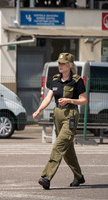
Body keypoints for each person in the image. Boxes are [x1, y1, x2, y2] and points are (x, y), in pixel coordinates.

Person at [33, 52, 87, 189]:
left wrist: (69, 100)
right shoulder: (55, 79)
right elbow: (48, 97)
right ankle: (79, 176)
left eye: (63, 63)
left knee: (58, 145)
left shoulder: (77, 80)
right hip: (57, 114)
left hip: (71, 115)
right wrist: (39, 110)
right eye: (59, 63)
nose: (60, 66)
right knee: (67, 149)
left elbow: (84, 100)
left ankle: (46, 177)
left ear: (70, 65)